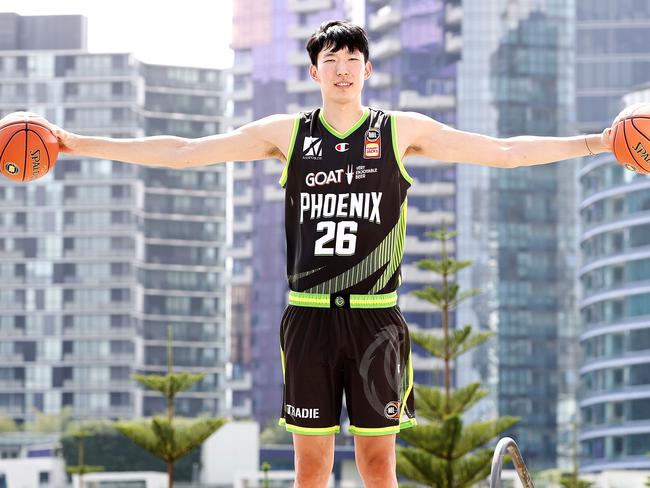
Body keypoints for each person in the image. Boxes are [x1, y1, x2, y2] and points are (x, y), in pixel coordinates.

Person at [49, 20, 612, 488]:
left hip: (376, 322)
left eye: (353, 58)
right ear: (315, 71)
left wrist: (599, 142)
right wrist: (75, 142)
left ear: (368, 70)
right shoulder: (289, 134)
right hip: (310, 318)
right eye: (331, 59)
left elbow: (505, 151)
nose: (342, 68)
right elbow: (188, 151)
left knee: (377, 467)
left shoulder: (399, 131)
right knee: (311, 470)